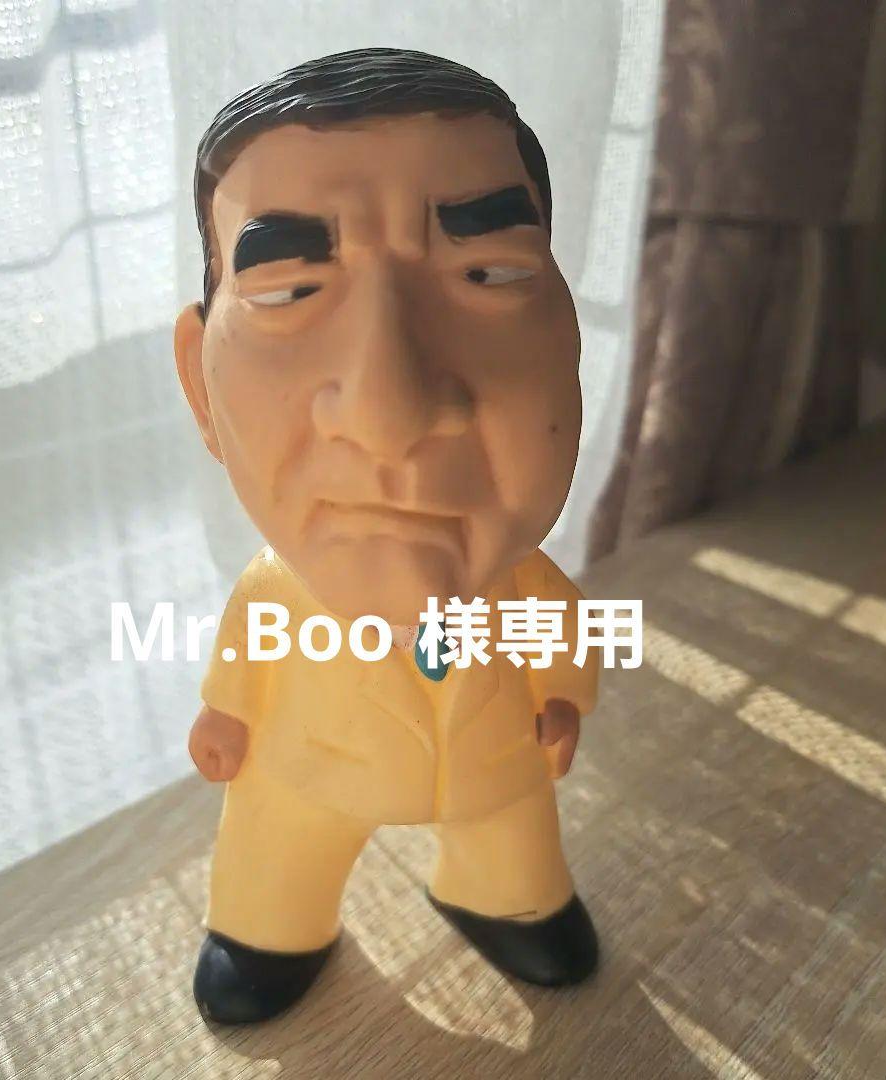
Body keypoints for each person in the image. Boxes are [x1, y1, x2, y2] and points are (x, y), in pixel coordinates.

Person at [174, 47, 600, 1025]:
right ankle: (266, 924)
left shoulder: (524, 589)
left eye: (488, 273)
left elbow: (564, 644)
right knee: (278, 843)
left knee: (513, 841)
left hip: (495, 765)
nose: (391, 410)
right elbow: (246, 657)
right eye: (289, 291)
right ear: (201, 383)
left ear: (572, 343)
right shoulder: (275, 591)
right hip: (310, 767)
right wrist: (226, 718)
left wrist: (563, 700)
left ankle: (508, 897)